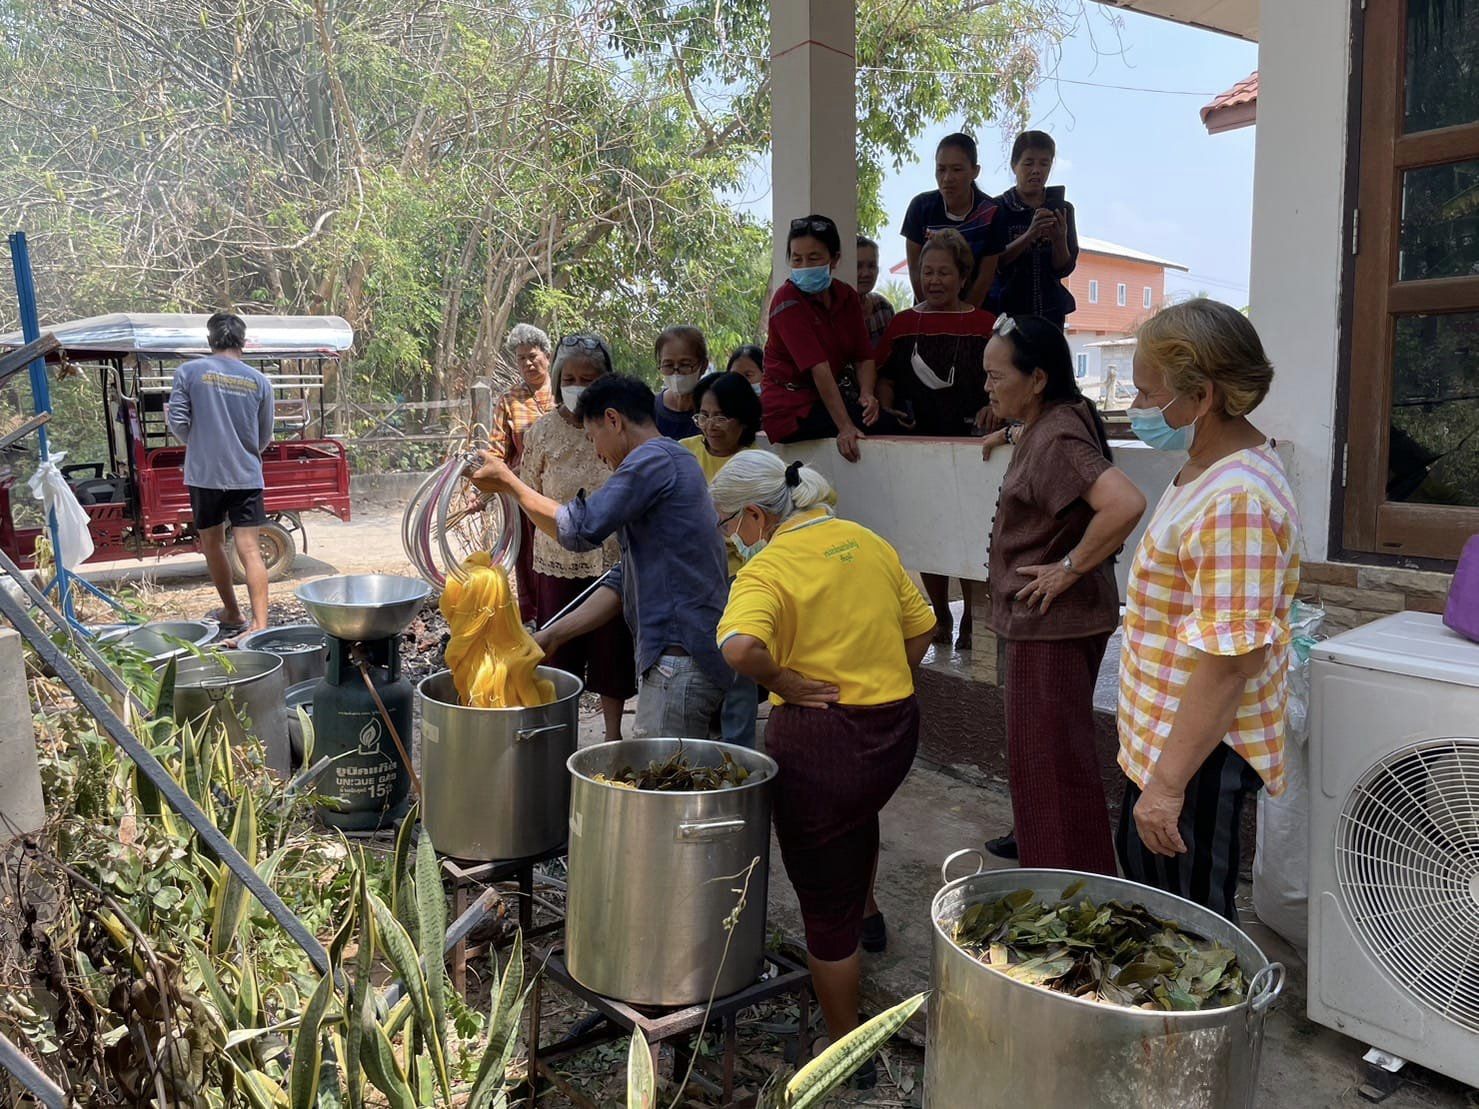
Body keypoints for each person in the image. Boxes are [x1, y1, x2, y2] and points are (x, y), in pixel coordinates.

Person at [714, 451, 934, 1077]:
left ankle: (843, 1051)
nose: (729, 537)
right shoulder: (865, 539)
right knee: (855, 819)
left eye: (728, 523)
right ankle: (868, 914)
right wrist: (882, 677)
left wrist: (786, 680)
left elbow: (740, 647)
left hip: (823, 745)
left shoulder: (767, 569)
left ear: (755, 515)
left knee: (822, 906)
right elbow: (923, 627)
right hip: (893, 731)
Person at [1117, 299, 1301, 920]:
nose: (1138, 408)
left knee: (1187, 934)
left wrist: (1166, 787)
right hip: (1168, 740)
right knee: (1151, 909)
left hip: (1196, 754)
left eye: (1149, 394)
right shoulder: (1205, 467)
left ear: (1202, 396)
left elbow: (1230, 663)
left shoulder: (1237, 499)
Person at [471, 372, 732, 739]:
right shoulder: (672, 461)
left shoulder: (652, 460)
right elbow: (623, 581)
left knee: (666, 773)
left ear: (613, 419)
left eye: (593, 438)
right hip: (679, 660)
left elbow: (579, 529)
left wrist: (509, 484)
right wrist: (553, 635)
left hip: (679, 662)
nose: (596, 452)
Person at [979, 314, 1146, 873]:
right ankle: (1079, 887)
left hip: (1051, 626)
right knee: (1052, 767)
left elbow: (1124, 503)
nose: (987, 387)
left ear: (1037, 379)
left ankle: (1066, 896)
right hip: (1052, 624)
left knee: (1048, 774)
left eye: (997, 377)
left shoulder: (1056, 436)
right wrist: (1008, 433)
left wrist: (1067, 569)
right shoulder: (1053, 420)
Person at [872, 227, 997, 649]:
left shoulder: (986, 325)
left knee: (971, 532)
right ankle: (941, 615)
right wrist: (887, 408)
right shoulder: (903, 324)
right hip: (917, 444)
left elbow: (1004, 376)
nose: (935, 280)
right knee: (931, 532)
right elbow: (885, 376)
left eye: (944, 272)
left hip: (974, 444)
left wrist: (995, 406)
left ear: (963, 276)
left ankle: (972, 619)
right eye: (927, 272)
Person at [520, 335, 636, 742]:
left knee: (612, 653)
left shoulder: (617, 428)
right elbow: (528, 493)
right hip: (557, 560)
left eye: (589, 379)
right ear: (556, 381)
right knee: (557, 652)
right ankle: (559, 738)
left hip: (611, 560)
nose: (578, 386)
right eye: (569, 378)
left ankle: (612, 737)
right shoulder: (541, 432)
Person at [167, 311, 274, 643]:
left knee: (212, 544)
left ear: (210, 340)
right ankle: (260, 624)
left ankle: (232, 612)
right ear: (243, 342)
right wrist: (242, 451)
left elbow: (178, 423)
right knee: (250, 549)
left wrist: (202, 445)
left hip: (204, 475)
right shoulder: (259, 381)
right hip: (246, 475)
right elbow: (264, 435)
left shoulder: (188, 372)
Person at [680, 371, 765, 747]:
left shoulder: (758, 463)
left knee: (738, 668)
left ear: (743, 420)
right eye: (703, 415)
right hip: (692, 575)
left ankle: (738, 751)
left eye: (721, 416)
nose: (710, 425)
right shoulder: (683, 454)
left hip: (741, 577)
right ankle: (689, 745)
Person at [762, 214, 877, 462]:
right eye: (797, 259)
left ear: (834, 259)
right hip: (790, 411)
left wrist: (867, 395)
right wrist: (845, 427)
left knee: (882, 418)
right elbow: (819, 369)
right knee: (875, 426)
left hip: (825, 402)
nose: (805, 266)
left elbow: (864, 356)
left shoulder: (846, 296)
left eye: (813, 258)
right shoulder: (786, 301)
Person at [489, 323, 557, 623]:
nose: (528, 363)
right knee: (529, 561)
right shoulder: (510, 399)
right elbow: (496, 451)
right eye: (521, 358)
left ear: (547, 356)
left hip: (562, 494)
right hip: (524, 497)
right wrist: (486, 488)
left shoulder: (564, 391)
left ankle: (564, 618)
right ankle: (535, 623)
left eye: (533, 356)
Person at [901, 132, 1006, 311]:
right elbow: (915, 270)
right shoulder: (920, 207)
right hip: (928, 313)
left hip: (977, 311)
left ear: (975, 171)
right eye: (941, 169)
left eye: (957, 169)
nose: (947, 178)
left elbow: (985, 276)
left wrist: (962, 318)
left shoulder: (991, 212)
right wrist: (934, 314)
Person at [990, 131, 1079, 327]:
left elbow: (1064, 269)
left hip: (1051, 314)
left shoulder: (1063, 210)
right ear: (1014, 165)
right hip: (1008, 315)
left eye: (1044, 164)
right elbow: (994, 263)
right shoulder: (996, 209)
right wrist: (1030, 235)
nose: (1036, 170)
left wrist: (1059, 240)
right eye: (1028, 163)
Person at [653, 325, 708, 439]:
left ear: (703, 366)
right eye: (668, 365)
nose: (676, 373)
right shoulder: (650, 411)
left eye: (685, 364)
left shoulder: (713, 413)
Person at [856, 235, 895, 346]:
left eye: (871, 266)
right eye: (858, 266)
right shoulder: (835, 314)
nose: (866, 273)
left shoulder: (883, 308)